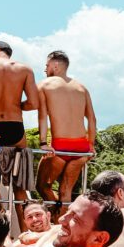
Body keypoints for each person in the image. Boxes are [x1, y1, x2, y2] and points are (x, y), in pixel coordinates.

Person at [36, 51, 96, 212]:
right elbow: (92, 119)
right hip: (81, 147)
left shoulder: (44, 85)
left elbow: (42, 117)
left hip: (60, 146)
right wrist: (91, 145)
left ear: (55, 66)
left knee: (42, 186)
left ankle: (55, 219)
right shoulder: (81, 87)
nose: (45, 69)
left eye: (47, 65)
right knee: (66, 191)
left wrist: (43, 143)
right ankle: (63, 224)